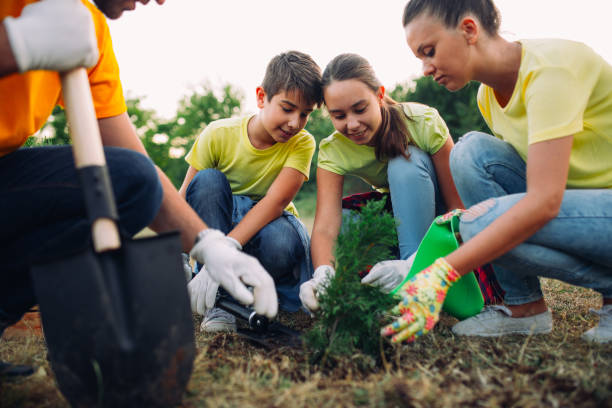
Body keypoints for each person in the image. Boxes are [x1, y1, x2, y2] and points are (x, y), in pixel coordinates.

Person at [0, 0, 276, 375]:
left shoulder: (87, 30)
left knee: (132, 181)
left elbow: (133, 165)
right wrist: (18, 44)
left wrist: (209, 245)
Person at [381, 0, 612, 344]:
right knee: (469, 153)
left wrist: (443, 272)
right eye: (420, 59)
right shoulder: (487, 97)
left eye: (429, 52)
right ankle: (524, 308)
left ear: (469, 30)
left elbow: (545, 201)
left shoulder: (552, 71)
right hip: (579, 210)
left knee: (479, 225)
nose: (427, 68)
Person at [299, 53, 467, 312]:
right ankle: (389, 275)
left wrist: (421, 260)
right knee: (346, 224)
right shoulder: (333, 149)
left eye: (360, 108)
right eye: (339, 115)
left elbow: (457, 210)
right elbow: (325, 227)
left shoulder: (422, 121)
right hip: (398, 215)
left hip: (438, 222)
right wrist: (323, 272)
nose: (352, 124)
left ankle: (415, 275)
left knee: (403, 164)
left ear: (379, 94)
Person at [179, 51, 321, 332]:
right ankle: (221, 300)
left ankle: (238, 290)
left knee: (281, 240)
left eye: (305, 114)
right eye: (287, 108)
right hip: (220, 224)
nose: (295, 122)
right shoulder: (217, 134)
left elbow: (276, 202)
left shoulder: (302, 143)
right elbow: (185, 197)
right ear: (261, 97)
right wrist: (181, 256)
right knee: (207, 181)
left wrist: (227, 248)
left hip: (269, 226)